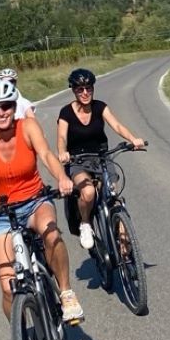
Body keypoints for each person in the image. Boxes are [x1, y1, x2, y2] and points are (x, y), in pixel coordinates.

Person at [0, 77, 84, 324]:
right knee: (9, 288)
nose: (0, 112)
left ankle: (66, 293)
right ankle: (23, 335)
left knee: (52, 235)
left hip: (34, 202)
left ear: (13, 105)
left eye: (6, 106)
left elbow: (46, 154)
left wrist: (63, 178)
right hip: (1, 215)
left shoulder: (28, 127)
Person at [57, 67, 146, 251]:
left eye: (88, 88)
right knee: (88, 192)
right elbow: (61, 137)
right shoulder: (66, 112)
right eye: (80, 89)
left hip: (102, 157)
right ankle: (85, 224)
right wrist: (62, 151)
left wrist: (133, 139)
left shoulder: (100, 107)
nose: (85, 92)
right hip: (78, 160)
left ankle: (122, 239)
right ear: (73, 90)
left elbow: (117, 125)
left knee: (113, 194)